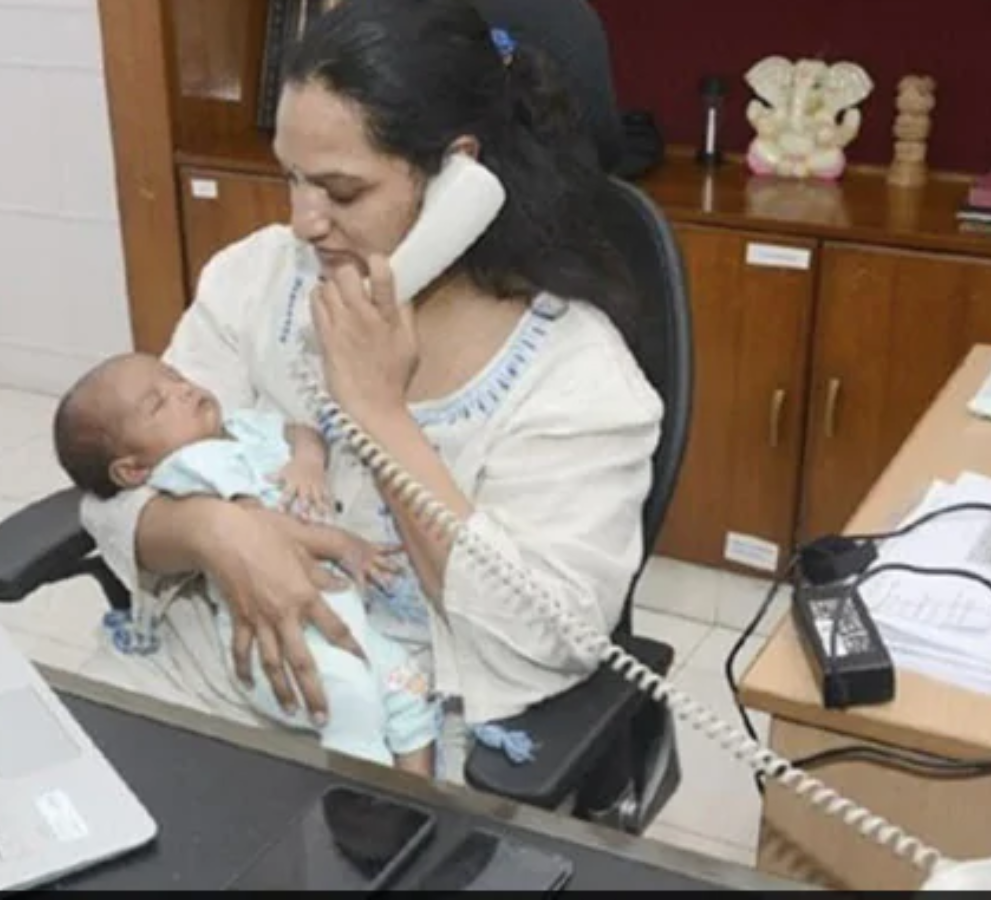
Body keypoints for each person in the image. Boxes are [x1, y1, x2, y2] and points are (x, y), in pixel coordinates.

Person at [79, 0, 663, 781]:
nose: (303, 222)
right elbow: (118, 491)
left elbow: (546, 639)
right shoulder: (257, 278)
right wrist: (218, 533)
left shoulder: (577, 378)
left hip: (394, 735)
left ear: (459, 176)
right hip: (193, 676)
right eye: (292, 178)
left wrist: (378, 414)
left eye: (342, 192)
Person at [52, 351, 438, 776]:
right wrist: (345, 545)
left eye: (176, 377)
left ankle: (414, 791)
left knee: (407, 686)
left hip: (339, 612)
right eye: (158, 403)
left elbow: (300, 431)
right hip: (277, 635)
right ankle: (370, 794)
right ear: (132, 470)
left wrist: (307, 462)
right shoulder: (188, 468)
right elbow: (263, 532)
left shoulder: (242, 428)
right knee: (352, 702)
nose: (182, 390)